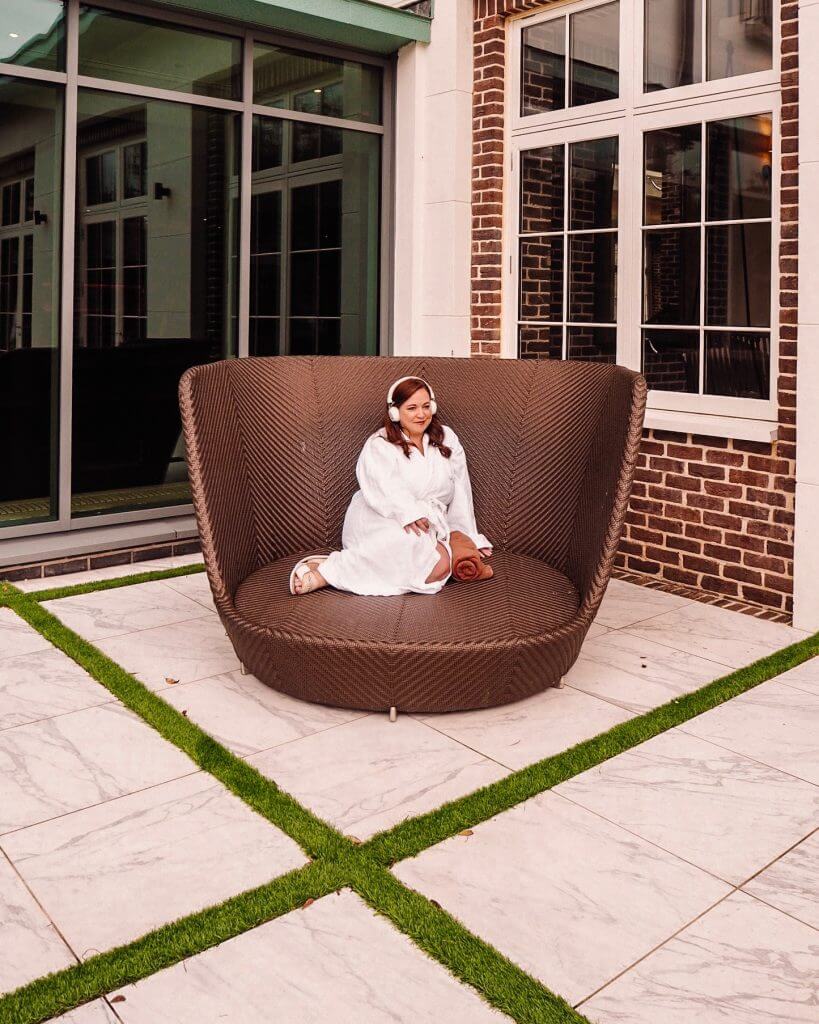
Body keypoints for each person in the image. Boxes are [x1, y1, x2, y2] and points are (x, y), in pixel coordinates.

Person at [289, 375, 492, 596]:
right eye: (412, 408)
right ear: (395, 412)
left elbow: (461, 488)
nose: (421, 414)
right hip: (382, 516)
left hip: (428, 522)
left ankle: (338, 565)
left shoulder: (446, 438)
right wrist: (409, 512)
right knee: (405, 546)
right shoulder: (380, 443)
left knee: (440, 566)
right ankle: (327, 573)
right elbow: (383, 485)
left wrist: (467, 535)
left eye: (426, 406)